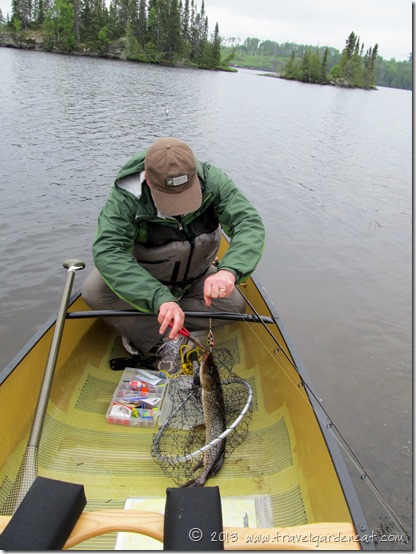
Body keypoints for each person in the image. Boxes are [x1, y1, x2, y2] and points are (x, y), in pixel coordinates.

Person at [82, 137, 265, 373]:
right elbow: (108, 250)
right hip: (147, 278)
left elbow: (248, 223)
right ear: (148, 180)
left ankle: (168, 323)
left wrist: (229, 272)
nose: (181, 207)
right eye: (170, 198)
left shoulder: (213, 180)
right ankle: (160, 338)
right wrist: (159, 297)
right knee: (94, 292)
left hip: (196, 276)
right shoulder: (126, 196)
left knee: (234, 305)